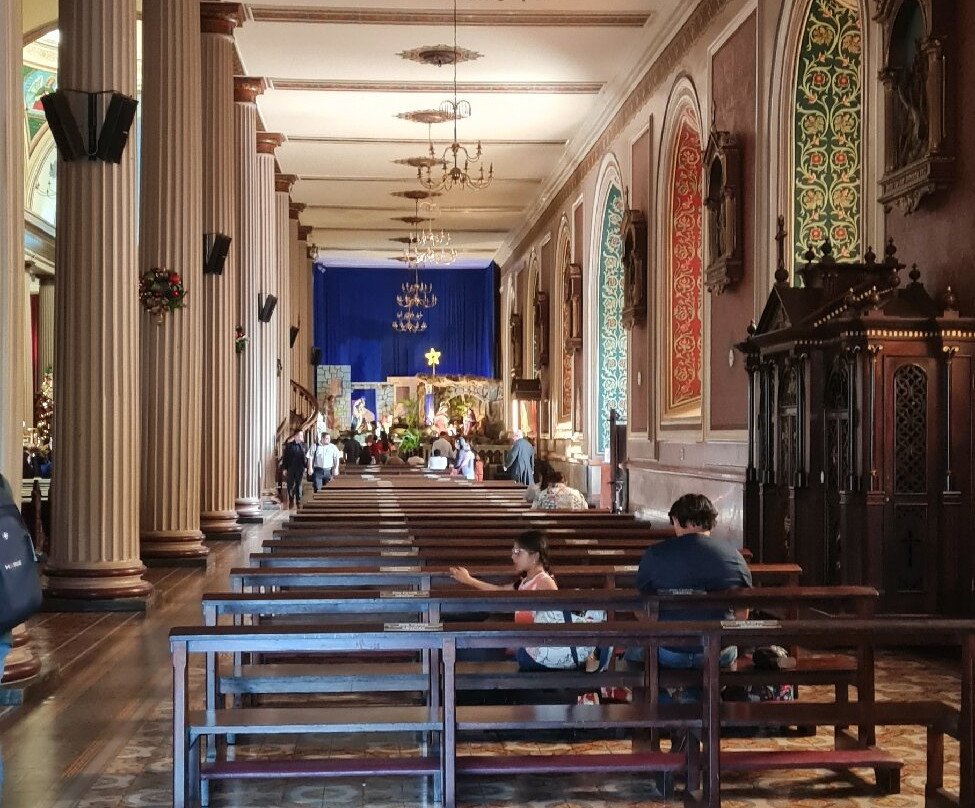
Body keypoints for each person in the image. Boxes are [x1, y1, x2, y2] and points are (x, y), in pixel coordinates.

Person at [627, 493, 751, 674]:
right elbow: (742, 614)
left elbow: (639, 610)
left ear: (677, 520)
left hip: (669, 650)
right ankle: (720, 693)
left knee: (631, 654)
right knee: (727, 652)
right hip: (718, 652)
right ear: (711, 522)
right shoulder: (734, 556)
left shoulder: (656, 554)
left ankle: (650, 698)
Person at [449, 530, 558, 671]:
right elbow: (499, 590)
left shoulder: (545, 583)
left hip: (535, 650)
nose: (513, 557)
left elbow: (554, 625)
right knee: (468, 648)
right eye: (513, 551)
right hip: (522, 642)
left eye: (518, 552)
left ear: (535, 556)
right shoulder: (525, 581)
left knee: (472, 652)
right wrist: (470, 580)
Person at [280, 429, 307, 508]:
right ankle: (291, 498)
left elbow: (307, 458)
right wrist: (284, 468)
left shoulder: (304, 446)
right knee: (290, 484)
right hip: (291, 467)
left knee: (298, 484)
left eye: (302, 435)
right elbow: (285, 458)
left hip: (300, 468)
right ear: (295, 436)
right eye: (300, 435)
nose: (301, 437)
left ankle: (298, 500)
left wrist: (306, 467)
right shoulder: (289, 445)